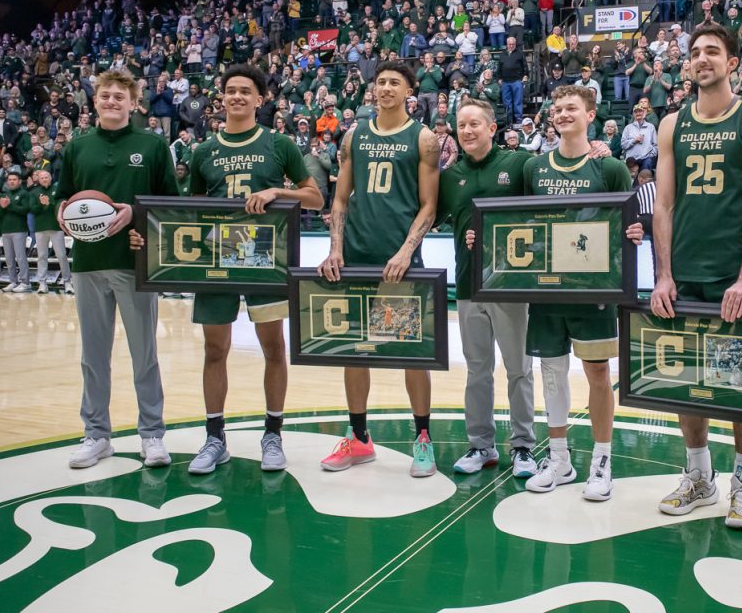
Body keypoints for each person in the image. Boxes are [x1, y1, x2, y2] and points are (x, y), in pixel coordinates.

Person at [142, 64, 324, 475]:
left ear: (260, 100)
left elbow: (315, 197)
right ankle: (214, 438)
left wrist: (278, 191)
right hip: (217, 260)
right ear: (220, 98)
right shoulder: (203, 151)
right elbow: (193, 214)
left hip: (265, 259)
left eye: (246, 91)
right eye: (230, 90)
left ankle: (273, 434)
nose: (237, 96)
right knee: (214, 350)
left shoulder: (279, 145)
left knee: (274, 347)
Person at [649, 23, 742, 527]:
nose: (703, 59)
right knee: (688, 383)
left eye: (713, 52)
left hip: (733, 277)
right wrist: (663, 274)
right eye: (696, 52)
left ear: (733, 62)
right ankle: (699, 477)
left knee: (741, 385)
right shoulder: (671, 124)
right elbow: (664, 205)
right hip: (683, 277)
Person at [521, 84, 643, 502]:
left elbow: (628, 224)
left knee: (596, 373)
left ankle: (602, 460)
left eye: (571, 108)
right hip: (547, 287)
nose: (562, 113)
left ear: (591, 115)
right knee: (551, 373)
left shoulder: (609, 168)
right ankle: (560, 459)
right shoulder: (534, 167)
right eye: (556, 108)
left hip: (593, 288)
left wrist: (635, 231)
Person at [320, 61, 441, 477]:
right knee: (355, 350)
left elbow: (429, 204)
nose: (386, 87)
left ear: (410, 91)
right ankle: (359, 439)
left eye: (394, 82)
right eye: (381, 82)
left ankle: (422, 439)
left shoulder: (423, 138)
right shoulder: (355, 135)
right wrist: (335, 248)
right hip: (355, 257)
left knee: (412, 354)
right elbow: (339, 200)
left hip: (399, 264)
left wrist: (408, 250)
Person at [54, 68, 179, 470]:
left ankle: (152, 435)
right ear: (94, 101)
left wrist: (135, 213)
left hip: (135, 264)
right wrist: (62, 212)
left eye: (119, 97)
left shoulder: (153, 145)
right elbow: (62, 197)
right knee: (93, 355)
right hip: (88, 264)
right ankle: (96, 434)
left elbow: (169, 206)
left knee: (144, 353)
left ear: (133, 103)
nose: (111, 102)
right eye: (105, 96)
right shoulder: (76, 148)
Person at [437, 99, 537, 478]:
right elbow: (430, 214)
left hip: (511, 286)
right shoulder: (450, 176)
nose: (467, 131)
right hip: (467, 286)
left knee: (519, 369)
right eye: (461, 125)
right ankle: (481, 444)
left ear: (493, 128)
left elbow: (545, 212)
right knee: (477, 370)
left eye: (475, 124)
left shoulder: (519, 164)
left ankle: (524, 446)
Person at [31, 170, 72, 294]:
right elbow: (32, 209)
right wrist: (43, 205)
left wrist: (49, 203)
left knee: (62, 255)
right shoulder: (34, 192)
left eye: (46, 177)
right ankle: (42, 283)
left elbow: (61, 206)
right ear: (38, 179)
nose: (44, 179)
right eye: (42, 177)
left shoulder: (57, 190)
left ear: (50, 178)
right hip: (40, 228)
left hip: (56, 228)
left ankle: (67, 282)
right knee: (42, 256)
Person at [0, 172, 32, 292]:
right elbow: (0, 213)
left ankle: (25, 282)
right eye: (10, 179)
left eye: (14, 179)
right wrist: (2, 208)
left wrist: (9, 205)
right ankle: (13, 281)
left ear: (19, 181)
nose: (11, 181)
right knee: (9, 258)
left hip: (19, 229)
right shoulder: (5, 194)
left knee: (20, 257)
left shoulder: (24, 193)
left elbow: (25, 210)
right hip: (5, 229)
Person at [620, 104, 658, 171]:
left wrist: (651, 155)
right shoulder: (628, 128)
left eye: (640, 111)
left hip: (646, 158)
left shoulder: (650, 127)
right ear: (633, 114)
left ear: (644, 113)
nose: (638, 113)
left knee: (645, 177)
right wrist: (634, 141)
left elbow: (655, 144)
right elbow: (623, 145)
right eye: (636, 112)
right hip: (632, 159)